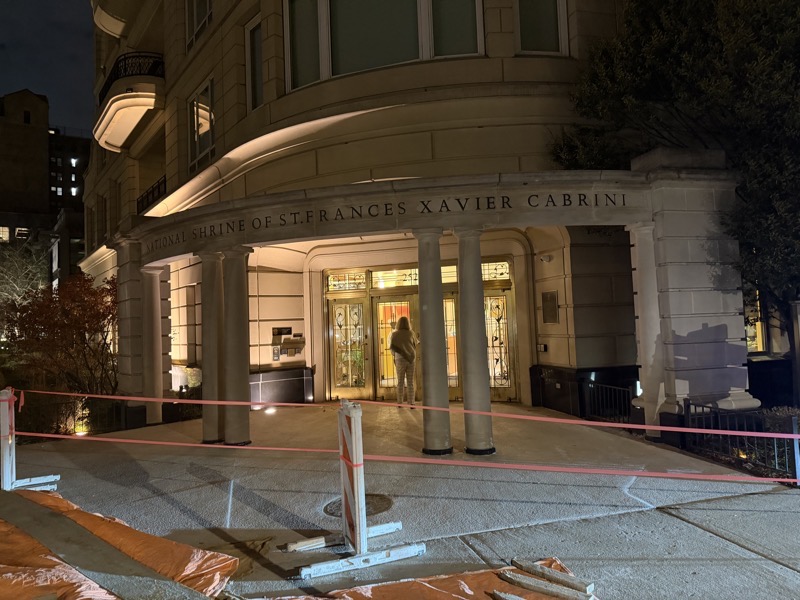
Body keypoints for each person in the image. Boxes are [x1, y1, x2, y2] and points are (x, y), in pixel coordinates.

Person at [389, 316, 417, 407]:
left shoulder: (395, 334)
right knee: (410, 382)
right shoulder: (411, 333)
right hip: (411, 359)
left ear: (398, 323)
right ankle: (411, 402)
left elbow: (392, 347)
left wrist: (395, 355)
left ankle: (400, 402)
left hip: (399, 359)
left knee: (400, 381)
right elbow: (415, 344)